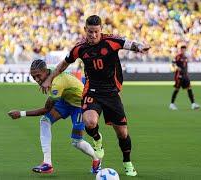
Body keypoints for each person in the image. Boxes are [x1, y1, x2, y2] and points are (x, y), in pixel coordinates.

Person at [40, 15, 151, 177]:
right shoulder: (79, 48)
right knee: (90, 121)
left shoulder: (111, 41)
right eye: (90, 31)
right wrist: (49, 78)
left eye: (96, 32)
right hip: (92, 90)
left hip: (112, 93)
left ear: (101, 30)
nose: (93, 35)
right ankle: (97, 139)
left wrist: (139, 47)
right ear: (85, 30)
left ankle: (127, 162)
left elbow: (129, 44)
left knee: (122, 133)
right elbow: (64, 64)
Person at [8, 59, 101, 174]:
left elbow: (46, 109)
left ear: (46, 71)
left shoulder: (57, 83)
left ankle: (96, 160)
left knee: (76, 142)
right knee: (45, 121)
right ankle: (47, 163)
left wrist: (21, 113)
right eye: (33, 77)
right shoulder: (51, 74)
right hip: (66, 100)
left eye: (38, 76)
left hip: (80, 105)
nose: (37, 79)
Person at [169, 45, 200, 110]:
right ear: (181, 50)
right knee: (177, 89)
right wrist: (177, 67)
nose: (183, 51)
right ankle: (172, 104)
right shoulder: (178, 56)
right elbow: (173, 63)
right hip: (179, 76)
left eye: (184, 50)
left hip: (185, 76)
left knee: (189, 88)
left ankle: (193, 104)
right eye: (182, 49)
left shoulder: (185, 57)